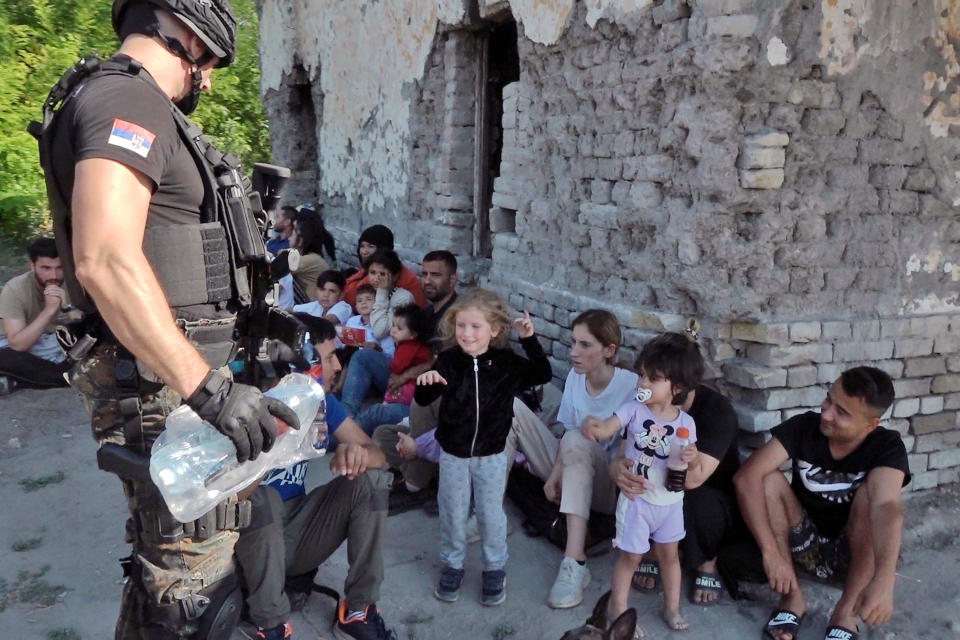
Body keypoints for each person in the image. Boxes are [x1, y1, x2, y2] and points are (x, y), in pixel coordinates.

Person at [35, 1, 300, 636]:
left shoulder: (130, 102)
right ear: (179, 36)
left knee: (169, 571)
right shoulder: (128, 99)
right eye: (208, 63)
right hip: (166, 387)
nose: (206, 81)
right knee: (196, 594)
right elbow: (104, 259)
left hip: (168, 383)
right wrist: (207, 388)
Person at [236, 317, 398, 640]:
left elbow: (378, 453)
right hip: (247, 547)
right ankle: (269, 624)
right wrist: (276, 450)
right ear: (299, 366)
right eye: (327, 357)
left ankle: (358, 612)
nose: (337, 365)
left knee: (372, 480)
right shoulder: (246, 407)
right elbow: (227, 496)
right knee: (262, 498)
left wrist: (359, 456)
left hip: (297, 531)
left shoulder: (322, 403)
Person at [734, 366, 910, 640]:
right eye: (829, 399)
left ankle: (845, 613)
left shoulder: (886, 445)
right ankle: (792, 598)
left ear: (870, 424)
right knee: (767, 480)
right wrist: (771, 554)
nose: (826, 414)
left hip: (854, 555)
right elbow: (746, 479)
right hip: (801, 544)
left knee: (870, 498)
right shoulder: (804, 426)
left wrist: (885, 580)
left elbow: (887, 507)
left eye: (842, 412)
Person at [414, 289, 552, 606]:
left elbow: (542, 373)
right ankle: (452, 563)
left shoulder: (506, 363)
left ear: (494, 329)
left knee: (491, 515)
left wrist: (530, 340)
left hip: (492, 455)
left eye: (476, 327)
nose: (467, 333)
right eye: (461, 326)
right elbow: (423, 399)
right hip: (453, 455)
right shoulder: (449, 362)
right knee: (452, 511)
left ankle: (494, 568)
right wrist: (428, 380)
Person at [582, 332, 705, 635]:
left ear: (676, 387)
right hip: (637, 501)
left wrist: (693, 456)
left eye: (653, 379)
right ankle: (619, 611)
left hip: (670, 504)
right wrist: (593, 426)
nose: (643, 384)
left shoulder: (686, 423)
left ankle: (672, 607)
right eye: (642, 375)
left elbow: (696, 466)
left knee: (670, 557)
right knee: (630, 558)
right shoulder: (634, 410)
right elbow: (609, 425)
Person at [368, 251, 458, 509]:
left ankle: (416, 483)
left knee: (413, 408)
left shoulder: (456, 317)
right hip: (417, 394)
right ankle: (420, 471)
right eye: (425, 274)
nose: (427, 280)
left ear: (453, 280)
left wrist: (405, 375)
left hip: (440, 401)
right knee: (383, 435)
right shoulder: (427, 314)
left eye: (436, 275)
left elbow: (440, 363)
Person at [0, 238, 80, 389]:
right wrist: (49, 311)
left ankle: (19, 379)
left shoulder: (73, 284)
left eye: (60, 268)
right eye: (46, 268)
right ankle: (64, 376)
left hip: (55, 342)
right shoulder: (15, 289)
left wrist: (68, 308)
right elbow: (18, 344)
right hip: (17, 344)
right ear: (32, 266)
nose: (54, 276)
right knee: (9, 358)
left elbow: (85, 328)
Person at [353, 304, 432, 435]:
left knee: (392, 391)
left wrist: (393, 366)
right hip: (415, 390)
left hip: (412, 392)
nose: (393, 330)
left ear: (413, 334)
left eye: (399, 328)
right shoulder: (410, 344)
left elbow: (397, 366)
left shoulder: (408, 346)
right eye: (393, 325)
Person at [341, 225, 426, 308]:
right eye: (362, 246)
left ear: (383, 248)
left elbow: (350, 297)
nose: (364, 251)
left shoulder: (385, 272)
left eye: (370, 246)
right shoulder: (373, 265)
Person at [289, 208, 335, 303]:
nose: (290, 232)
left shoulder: (312, 260)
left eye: (294, 228)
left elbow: (277, 267)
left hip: (310, 314)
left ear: (302, 235)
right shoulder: (308, 258)